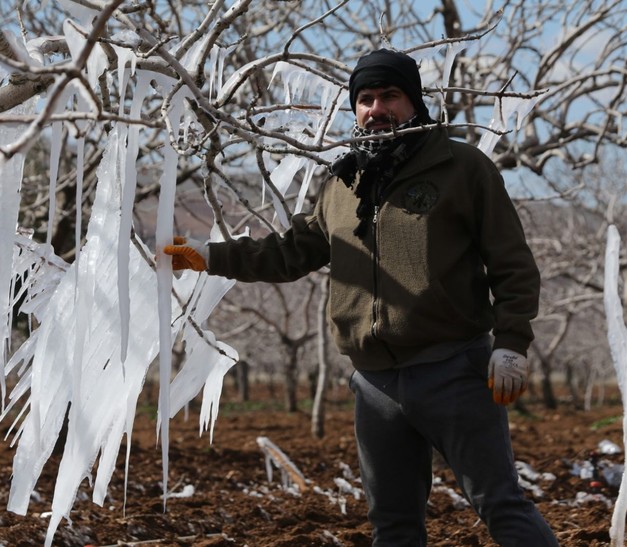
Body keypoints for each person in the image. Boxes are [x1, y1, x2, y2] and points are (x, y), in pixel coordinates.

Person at [163, 48, 559, 546]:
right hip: (375, 386)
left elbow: (513, 263)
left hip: (453, 370)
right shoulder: (344, 180)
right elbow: (291, 252)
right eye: (365, 98)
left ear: (413, 103)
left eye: (389, 96)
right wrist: (208, 256)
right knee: (392, 526)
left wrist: (512, 342)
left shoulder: (463, 168)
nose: (376, 108)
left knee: (499, 504)